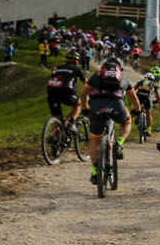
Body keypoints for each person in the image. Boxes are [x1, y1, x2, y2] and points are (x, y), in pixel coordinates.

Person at [84, 56, 137, 186]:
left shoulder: (96, 76)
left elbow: (84, 93)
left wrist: (85, 108)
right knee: (126, 122)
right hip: (116, 105)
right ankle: (118, 143)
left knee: (95, 139)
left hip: (96, 106)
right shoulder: (123, 78)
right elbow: (133, 98)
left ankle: (96, 171)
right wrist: (138, 110)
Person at [46, 52, 86, 131]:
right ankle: (71, 123)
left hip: (51, 91)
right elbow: (86, 84)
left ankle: (54, 138)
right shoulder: (77, 69)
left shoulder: (57, 67)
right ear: (77, 61)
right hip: (66, 91)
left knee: (56, 117)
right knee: (79, 104)